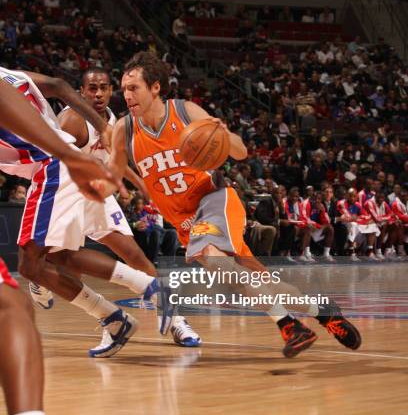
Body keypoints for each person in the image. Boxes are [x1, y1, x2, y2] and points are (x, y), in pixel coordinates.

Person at [109, 52, 361, 358]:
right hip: (185, 223)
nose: (127, 95)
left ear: (156, 87)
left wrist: (223, 134)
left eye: (133, 87)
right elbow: (112, 171)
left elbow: (241, 153)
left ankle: (290, 326)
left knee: (217, 261)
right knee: (251, 282)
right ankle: (324, 312)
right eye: (123, 88)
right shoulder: (124, 129)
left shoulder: (185, 111)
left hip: (213, 201)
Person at [30, 67, 200, 347]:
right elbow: (49, 164)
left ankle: (177, 321)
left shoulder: (110, 120)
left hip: (96, 192)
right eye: (92, 88)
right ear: (81, 92)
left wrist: (143, 185)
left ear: (111, 91)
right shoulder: (72, 120)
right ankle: (97, 313)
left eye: (104, 88)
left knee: (133, 253)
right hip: (64, 191)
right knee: (66, 266)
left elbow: (115, 161)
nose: (98, 93)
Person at [0, 79, 110, 415]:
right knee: (15, 299)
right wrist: (70, 155)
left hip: (55, 166)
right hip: (55, 164)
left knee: (16, 299)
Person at [0, 65, 140, 358]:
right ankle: (116, 315)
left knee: (33, 264)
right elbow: (59, 84)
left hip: (53, 168)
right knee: (40, 262)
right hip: (64, 167)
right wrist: (102, 127)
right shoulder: (10, 74)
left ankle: (128, 307)